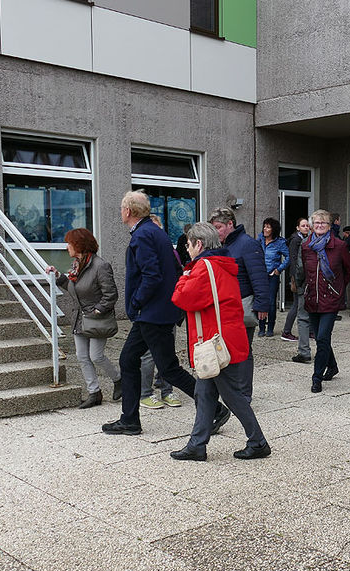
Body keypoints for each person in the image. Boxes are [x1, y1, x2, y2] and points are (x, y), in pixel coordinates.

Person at [102, 190, 228, 436]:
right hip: (155, 312)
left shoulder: (143, 235)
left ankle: (216, 409)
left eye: (121, 208)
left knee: (169, 368)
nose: (120, 212)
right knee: (128, 359)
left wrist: (136, 302)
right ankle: (129, 419)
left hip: (153, 313)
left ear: (128, 211)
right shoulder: (154, 231)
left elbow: (152, 275)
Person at [169, 223, 270, 462]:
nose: (186, 248)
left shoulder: (202, 266)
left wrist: (184, 275)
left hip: (215, 343)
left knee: (231, 395)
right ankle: (197, 445)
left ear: (199, 244)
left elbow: (181, 298)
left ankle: (258, 442)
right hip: (224, 338)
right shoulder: (222, 262)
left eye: (188, 243)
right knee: (204, 393)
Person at [46, 229, 121, 409]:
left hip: (96, 319)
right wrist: (58, 276)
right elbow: (73, 289)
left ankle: (120, 380)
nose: (67, 247)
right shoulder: (77, 265)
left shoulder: (100, 266)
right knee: (81, 356)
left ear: (79, 245)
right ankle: (94, 392)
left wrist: (97, 311)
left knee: (96, 356)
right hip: (80, 317)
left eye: (70, 243)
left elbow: (111, 294)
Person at [209, 207, 269, 401]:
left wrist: (261, 305)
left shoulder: (247, 244)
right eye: (213, 227)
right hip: (225, 306)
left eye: (218, 227)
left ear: (230, 224)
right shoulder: (222, 245)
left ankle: (244, 394)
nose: (216, 231)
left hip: (243, 305)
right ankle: (231, 391)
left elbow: (259, 277)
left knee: (243, 351)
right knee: (226, 350)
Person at [296, 209, 350, 393]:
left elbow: (349, 270)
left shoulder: (339, 246)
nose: (320, 226)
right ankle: (333, 366)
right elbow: (304, 270)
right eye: (317, 223)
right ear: (312, 226)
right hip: (312, 298)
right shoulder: (306, 246)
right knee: (322, 338)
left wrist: (337, 288)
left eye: (324, 223)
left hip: (331, 299)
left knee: (321, 338)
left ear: (329, 226)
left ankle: (316, 377)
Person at [139, 214, 180, 409]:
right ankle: (146, 393)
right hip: (149, 311)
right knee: (148, 355)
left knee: (168, 352)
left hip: (168, 309)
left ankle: (167, 391)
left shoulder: (170, 253)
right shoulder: (141, 248)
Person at [283, 218, 312, 363]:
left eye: (307, 225)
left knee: (300, 308)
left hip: (302, 280)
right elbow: (294, 261)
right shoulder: (296, 240)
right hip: (298, 280)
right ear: (297, 227)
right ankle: (286, 331)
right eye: (303, 225)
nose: (306, 227)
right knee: (297, 307)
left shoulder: (306, 239)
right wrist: (294, 279)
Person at [256, 217, 289, 337]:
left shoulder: (280, 242)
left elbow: (288, 257)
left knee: (270, 302)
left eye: (268, 227)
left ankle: (270, 327)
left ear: (273, 229)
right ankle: (261, 327)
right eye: (264, 226)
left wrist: (278, 270)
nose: (265, 229)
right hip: (260, 275)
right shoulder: (259, 239)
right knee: (260, 301)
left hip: (271, 276)